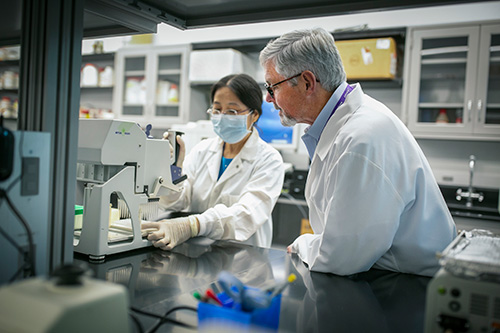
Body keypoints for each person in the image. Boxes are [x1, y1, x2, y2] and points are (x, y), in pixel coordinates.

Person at [259, 27, 457, 277]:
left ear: (308, 82)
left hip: (407, 284)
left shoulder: (361, 138)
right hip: (385, 276)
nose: (268, 99)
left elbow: (342, 256)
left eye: (271, 87)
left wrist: (302, 244)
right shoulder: (343, 124)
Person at [142, 74, 285, 250]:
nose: (222, 117)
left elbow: (246, 216)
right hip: (198, 256)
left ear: (254, 115)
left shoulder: (269, 160)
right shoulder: (202, 150)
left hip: (243, 261)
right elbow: (176, 202)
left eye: (232, 111)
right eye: (217, 110)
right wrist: (172, 173)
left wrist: (191, 225)